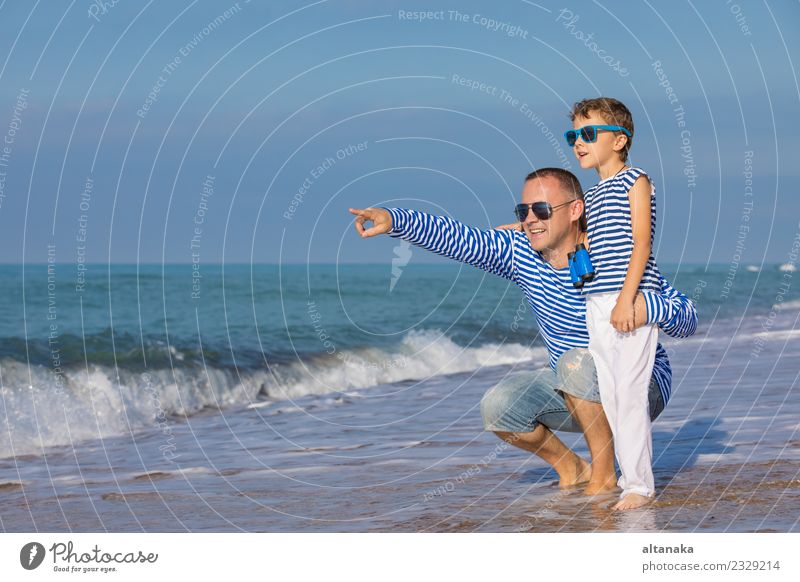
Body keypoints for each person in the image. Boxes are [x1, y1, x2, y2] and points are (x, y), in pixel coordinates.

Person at [348, 167, 696, 507]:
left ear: (575, 210)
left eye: (542, 210)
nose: (531, 218)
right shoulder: (520, 252)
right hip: (573, 384)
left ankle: (604, 477)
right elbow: (458, 239)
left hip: (638, 385)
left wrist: (647, 308)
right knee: (500, 407)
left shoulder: (611, 252)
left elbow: (687, 317)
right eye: (524, 210)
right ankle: (573, 468)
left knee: (575, 363)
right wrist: (395, 220)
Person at [566, 97, 666, 509]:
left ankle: (639, 487)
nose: (579, 142)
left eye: (589, 134)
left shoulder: (634, 179)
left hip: (629, 299)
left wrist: (627, 301)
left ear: (620, 140)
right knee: (610, 394)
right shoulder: (591, 194)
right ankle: (630, 478)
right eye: (573, 135)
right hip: (596, 301)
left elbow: (642, 242)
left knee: (628, 392)